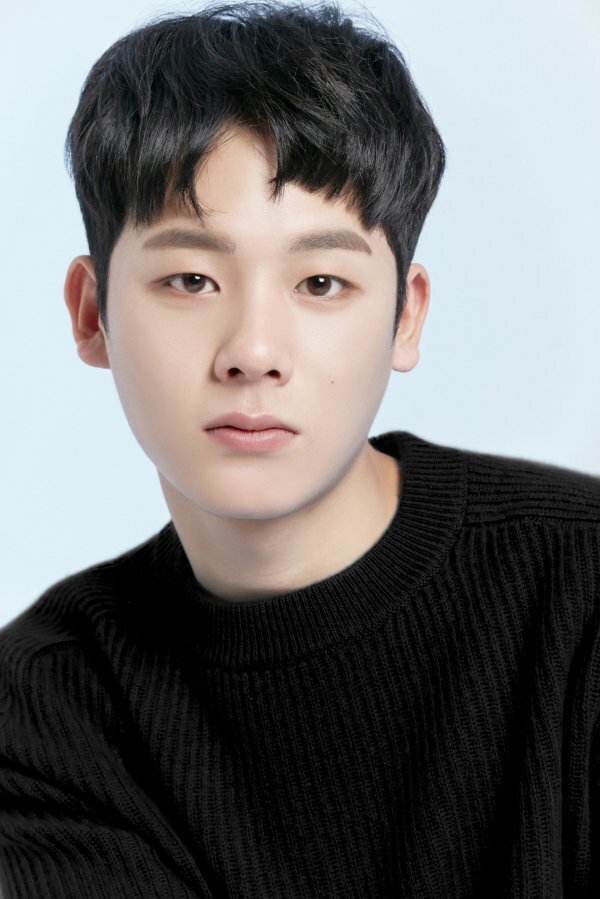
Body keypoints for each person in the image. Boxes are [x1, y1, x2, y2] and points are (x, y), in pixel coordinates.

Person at [1, 1, 599, 896]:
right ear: (93, 314)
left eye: (321, 281)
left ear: (405, 316)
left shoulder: (580, 590)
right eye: (190, 278)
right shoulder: (42, 709)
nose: (253, 351)